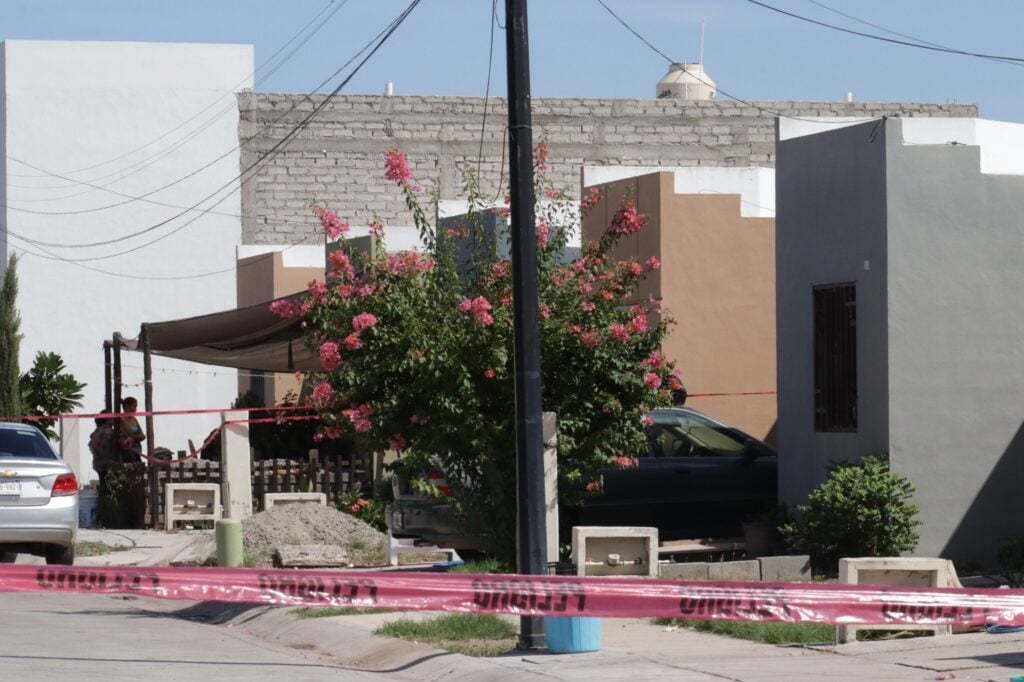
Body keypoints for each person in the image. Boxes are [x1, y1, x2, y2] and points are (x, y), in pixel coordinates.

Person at [87, 415, 118, 488]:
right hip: (106, 462)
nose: (113, 418)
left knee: (103, 482)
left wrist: (96, 453)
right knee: (107, 484)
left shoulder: (97, 430)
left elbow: (91, 445)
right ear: (107, 419)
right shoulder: (107, 431)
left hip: (99, 462)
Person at [119, 397, 145, 463]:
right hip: (128, 452)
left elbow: (143, 436)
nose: (135, 409)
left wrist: (136, 437)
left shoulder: (134, 419)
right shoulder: (121, 419)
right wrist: (138, 437)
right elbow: (131, 435)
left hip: (137, 451)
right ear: (127, 406)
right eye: (134, 406)